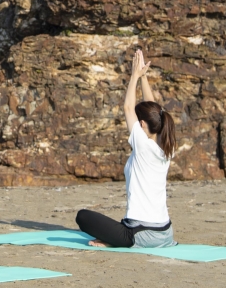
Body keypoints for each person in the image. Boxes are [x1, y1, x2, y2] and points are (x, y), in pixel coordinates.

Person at [75, 49, 177, 248]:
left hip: (141, 234)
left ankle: (115, 241)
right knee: (109, 225)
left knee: (83, 217)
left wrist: (134, 76)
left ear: (141, 124)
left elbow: (128, 108)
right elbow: (156, 109)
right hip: (165, 233)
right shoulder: (167, 146)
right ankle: (114, 238)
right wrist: (144, 78)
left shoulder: (142, 145)